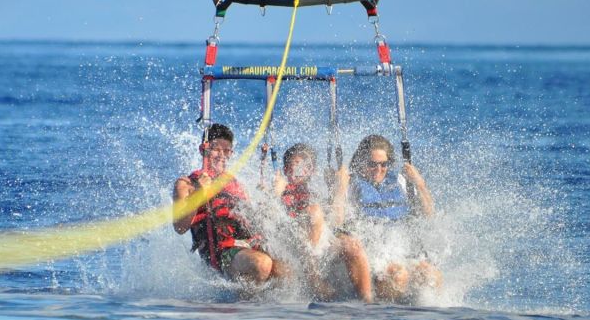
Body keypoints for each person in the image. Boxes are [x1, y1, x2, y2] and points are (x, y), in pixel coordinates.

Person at [335, 134, 442, 301]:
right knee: (399, 275)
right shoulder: (352, 184)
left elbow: (428, 214)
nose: (378, 169)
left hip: (402, 250)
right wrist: (339, 188)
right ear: (362, 162)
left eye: (383, 164)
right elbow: (336, 222)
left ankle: (425, 317)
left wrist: (419, 183)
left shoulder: (400, 180)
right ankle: (390, 316)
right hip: (375, 256)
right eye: (372, 164)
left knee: (430, 275)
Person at [173, 123, 284, 284]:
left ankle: (268, 308)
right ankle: (244, 308)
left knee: (286, 269)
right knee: (261, 264)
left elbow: (257, 220)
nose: (222, 155)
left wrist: (274, 194)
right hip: (221, 253)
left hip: (247, 245)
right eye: (216, 149)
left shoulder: (235, 184)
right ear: (203, 150)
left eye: (227, 151)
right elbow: (179, 227)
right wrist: (199, 194)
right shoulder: (186, 184)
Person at [274, 143, 373, 303]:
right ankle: (313, 279)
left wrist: (339, 188)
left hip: (320, 247)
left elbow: (336, 222)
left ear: (312, 171)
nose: (301, 170)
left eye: (307, 166)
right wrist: (276, 193)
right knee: (314, 211)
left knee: (352, 245)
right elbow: (272, 218)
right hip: (296, 246)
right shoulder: (281, 189)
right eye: (296, 165)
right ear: (286, 169)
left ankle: (368, 302)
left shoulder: (315, 194)